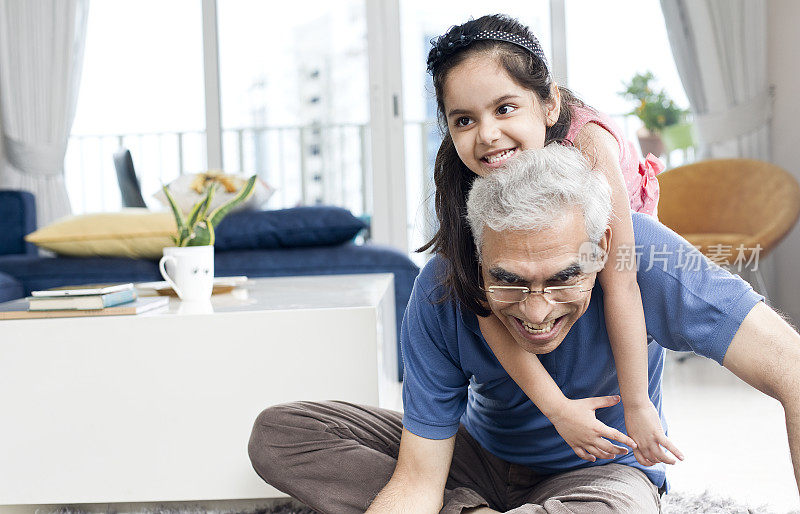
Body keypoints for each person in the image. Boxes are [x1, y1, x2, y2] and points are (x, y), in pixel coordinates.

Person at [248, 146, 800, 513]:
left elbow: (791, 366)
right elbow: (418, 479)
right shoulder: (443, 284)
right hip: (475, 458)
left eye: (563, 280)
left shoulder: (645, 256)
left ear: (601, 251)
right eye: (509, 282)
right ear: (477, 260)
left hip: (598, 475)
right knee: (281, 432)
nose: (536, 313)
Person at [419, 13, 678, 467]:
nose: (487, 135)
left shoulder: (589, 147)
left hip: (605, 260)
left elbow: (621, 285)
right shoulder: (470, 173)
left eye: (504, 109)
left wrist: (637, 405)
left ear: (550, 105)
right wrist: (557, 409)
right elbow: (485, 301)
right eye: (463, 120)